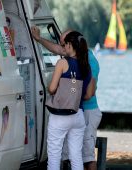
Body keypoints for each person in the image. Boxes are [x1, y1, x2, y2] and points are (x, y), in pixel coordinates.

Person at [32, 26, 101, 170]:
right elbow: (87, 93)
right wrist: (38, 39)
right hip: (79, 114)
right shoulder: (86, 65)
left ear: (71, 44)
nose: (61, 48)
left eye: (64, 44)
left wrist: (61, 90)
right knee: (76, 156)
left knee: (57, 154)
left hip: (67, 114)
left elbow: (52, 88)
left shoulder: (63, 63)